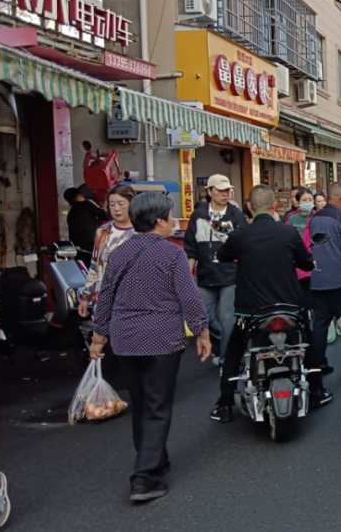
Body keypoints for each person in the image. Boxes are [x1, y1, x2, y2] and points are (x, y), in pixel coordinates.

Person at [89, 192, 212, 502]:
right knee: (158, 408)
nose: (173, 222)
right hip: (161, 338)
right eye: (170, 217)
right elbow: (189, 297)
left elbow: (105, 297)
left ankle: (155, 460)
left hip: (125, 339)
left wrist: (98, 336)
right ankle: (143, 478)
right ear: (159, 220)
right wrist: (202, 332)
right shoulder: (172, 255)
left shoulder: (118, 253)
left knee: (142, 406)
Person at [210, 185, 329, 423]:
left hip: (250, 310)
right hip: (290, 306)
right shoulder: (287, 234)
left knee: (234, 349)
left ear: (250, 208)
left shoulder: (239, 236)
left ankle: (224, 403)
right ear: (275, 206)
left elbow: (222, 257)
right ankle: (317, 390)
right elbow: (306, 264)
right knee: (307, 340)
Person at [183, 174, 248, 366]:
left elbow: (244, 243)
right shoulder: (199, 215)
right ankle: (220, 346)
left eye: (227, 190)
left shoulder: (235, 214)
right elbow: (191, 248)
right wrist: (187, 276)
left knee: (229, 318)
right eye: (220, 190)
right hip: (206, 275)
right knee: (202, 316)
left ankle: (229, 359)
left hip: (230, 274)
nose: (225, 194)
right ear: (209, 191)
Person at [308, 182, 341, 371]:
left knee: (320, 323)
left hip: (318, 278)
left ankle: (318, 362)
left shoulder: (315, 218)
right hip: (340, 279)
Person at [78, 185, 136, 319]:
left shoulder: (141, 232)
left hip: (133, 304)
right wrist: (85, 297)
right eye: (112, 204)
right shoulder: (102, 231)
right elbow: (95, 266)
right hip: (104, 302)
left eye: (121, 204)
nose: (116, 209)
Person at [65, 184, 109, 265]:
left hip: (78, 250)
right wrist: (104, 207)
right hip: (91, 248)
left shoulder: (70, 214)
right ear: (80, 195)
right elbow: (106, 215)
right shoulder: (87, 204)